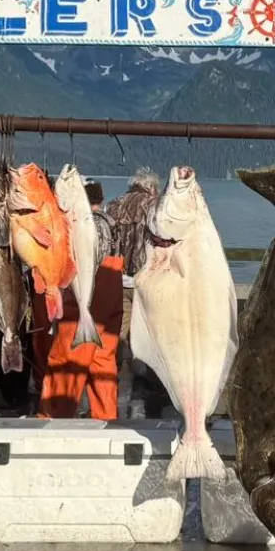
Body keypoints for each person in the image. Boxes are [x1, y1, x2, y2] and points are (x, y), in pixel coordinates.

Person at [35, 179, 126, 420]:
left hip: (85, 300)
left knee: (67, 361)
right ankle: (105, 418)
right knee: (102, 363)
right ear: (100, 200)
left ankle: (54, 417)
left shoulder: (83, 225)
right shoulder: (112, 223)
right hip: (110, 302)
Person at [104, 167, 161, 418]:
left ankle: (108, 378)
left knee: (115, 332)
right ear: (150, 187)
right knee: (148, 333)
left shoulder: (113, 205)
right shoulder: (155, 206)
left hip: (116, 279)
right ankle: (149, 381)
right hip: (144, 281)